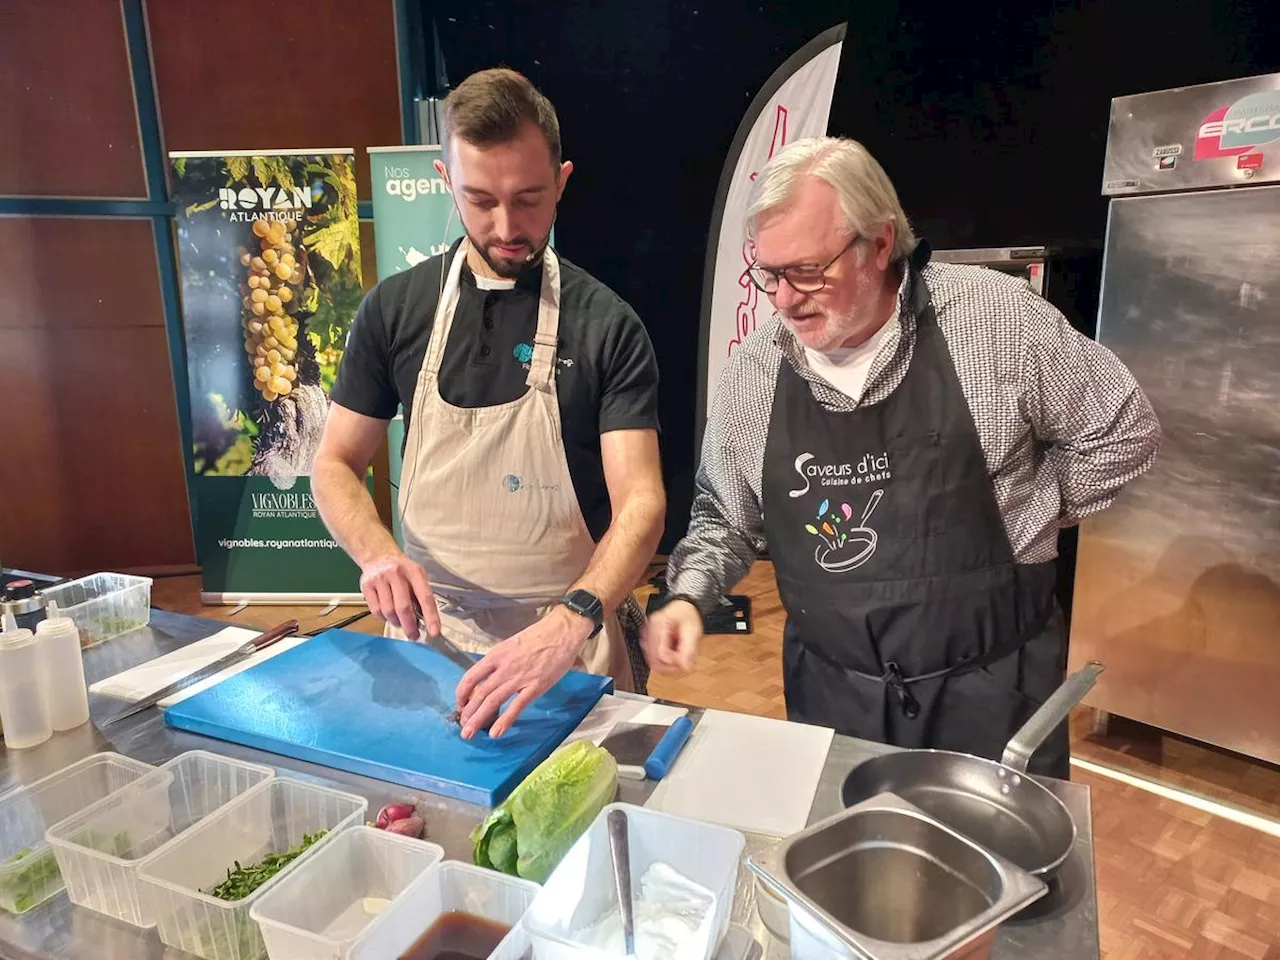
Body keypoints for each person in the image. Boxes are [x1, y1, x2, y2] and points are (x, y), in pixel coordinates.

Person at [644, 136, 1160, 779]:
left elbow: (1124, 430)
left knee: (1002, 877)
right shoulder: (753, 374)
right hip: (835, 701)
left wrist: (1028, 514)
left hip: (993, 695)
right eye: (769, 275)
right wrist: (689, 596)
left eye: (807, 271)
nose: (784, 300)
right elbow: (726, 517)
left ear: (881, 243)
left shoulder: (996, 321)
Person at [314, 68, 665, 740]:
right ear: (447, 183)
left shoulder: (606, 327)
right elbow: (334, 462)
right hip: (427, 648)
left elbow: (642, 504)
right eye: (480, 200)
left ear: (562, 181)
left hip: (564, 647)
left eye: (530, 199)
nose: (507, 226)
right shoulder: (395, 311)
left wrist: (572, 618)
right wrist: (377, 554)